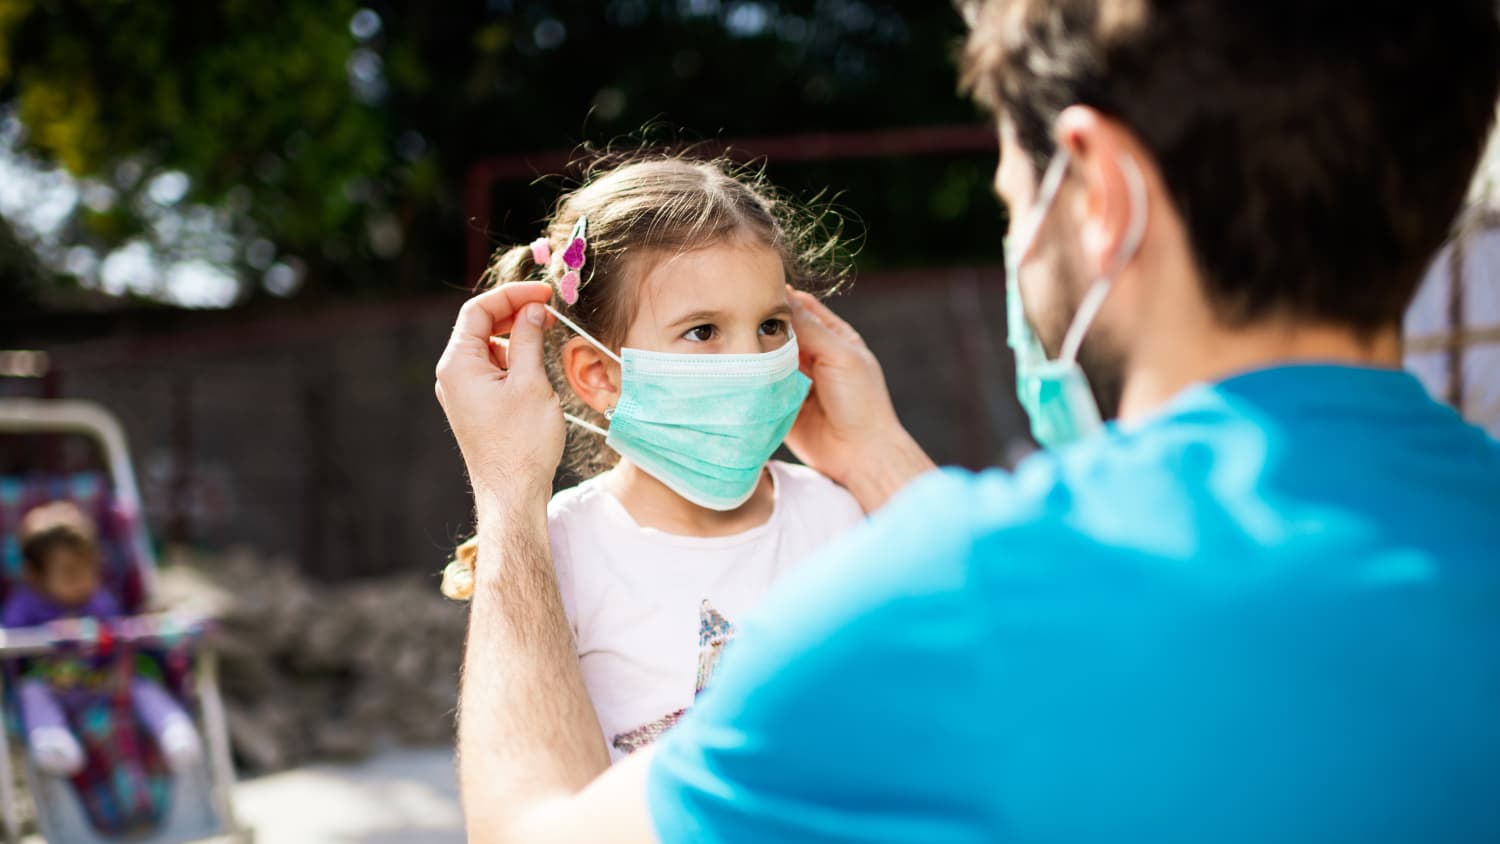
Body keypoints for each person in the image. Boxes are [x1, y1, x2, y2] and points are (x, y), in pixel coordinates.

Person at [433, 0, 1500, 841]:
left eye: (1009, 186)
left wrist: (506, 496)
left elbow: (537, 833)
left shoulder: (951, 598)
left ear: (1098, 191)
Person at [440, 157, 864, 762]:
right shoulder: (553, 553)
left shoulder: (837, 516)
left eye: (771, 325)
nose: (751, 359)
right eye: (703, 331)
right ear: (600, 376)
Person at [6, 501, 202, 777]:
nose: (85, 580)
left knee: (140, 683)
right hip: (54, 685)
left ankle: (174, 730)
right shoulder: (25, 606)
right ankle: (52, 742)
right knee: (30, 692)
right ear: (36, 576)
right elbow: (10, 640)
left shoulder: (99, 601)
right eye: (71, 572)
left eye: (91, 570)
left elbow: (117, 631)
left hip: (100, 683)